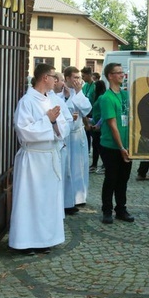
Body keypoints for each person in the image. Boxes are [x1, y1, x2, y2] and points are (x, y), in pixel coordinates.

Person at [9, 63, 70, 254]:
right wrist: (48, 120)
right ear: (45, 78)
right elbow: (24, 131)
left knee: (47, 201)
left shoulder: (49, 100)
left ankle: (45, 239)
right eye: (54, 77)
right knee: (30, 201)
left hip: (49, 157)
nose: (56, 81)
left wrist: (54, 123)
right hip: (33, 160)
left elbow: (63, 126)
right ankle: (25, 242)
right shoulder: (27, 101)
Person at [98, 62, 134, 224]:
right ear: (110, 76)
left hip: (127, 145)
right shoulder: (106, 98)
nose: (122, 75)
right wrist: (121, 148)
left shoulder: (125, 95)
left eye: (123, 72)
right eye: (118, 72)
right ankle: (107, 210)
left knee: (123, 179)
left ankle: (121, 208)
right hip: (111, 146)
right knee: (111, 178)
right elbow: (112, 125)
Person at [62, 66, 92, 214]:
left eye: (78, 77)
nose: (77, 80)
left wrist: (79, 93)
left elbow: (87, 108)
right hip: (67, 135)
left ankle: (79, 196)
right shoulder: (61, 92)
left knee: (80, 166)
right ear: (67, 78)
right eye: (74, 77)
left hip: (78, 134)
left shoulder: (79, 92)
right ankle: (68, 198)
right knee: (68, 167)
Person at [89, 79, 106, 174]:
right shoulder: (98, 97)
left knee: (99, 147)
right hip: (95, 125)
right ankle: (94, 164)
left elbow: (103, 113)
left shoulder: (101, 98)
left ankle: (104, 165)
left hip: (99, 127)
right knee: (95, 145)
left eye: (95, 87)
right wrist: (90, 120)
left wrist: (98, 124)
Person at [81, 66, 96, 161]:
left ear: (89, 75)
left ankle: (95, 158)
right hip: (86, 114)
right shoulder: (85, 86)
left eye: (84, 76)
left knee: (93, 135)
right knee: (86, 134)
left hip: (93, 113)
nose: (82, 78)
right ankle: (87, 151)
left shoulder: (94, 86)